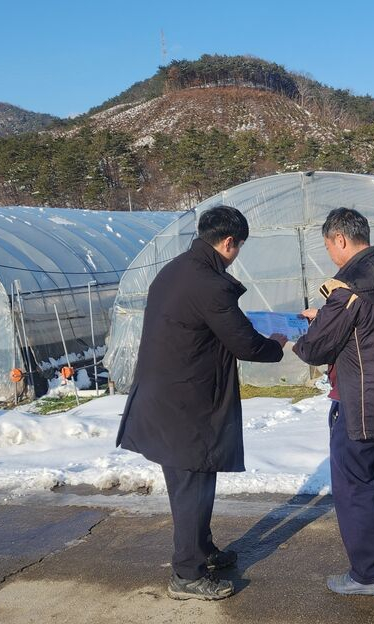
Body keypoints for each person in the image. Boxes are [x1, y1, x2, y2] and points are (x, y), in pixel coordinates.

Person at [116, 205, 286, 601]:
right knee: (191, 485)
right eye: (239, 247)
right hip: (183, 404)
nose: (237, 254)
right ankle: (187, 574)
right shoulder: (209, 283)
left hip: (170, 395)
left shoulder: (177, 268)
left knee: (198, 477)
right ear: (229, 242)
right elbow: (245, 344)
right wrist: (275, 345)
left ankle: (202, 548)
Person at [293, 207, 374, 596]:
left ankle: (367, 574)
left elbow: (315, 349)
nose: (330, 254)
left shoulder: (348, 289)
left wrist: (311, 327)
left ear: (341, 240)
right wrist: (328, 314)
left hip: (362, 403)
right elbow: (370, 326)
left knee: (354, 487)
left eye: (329, 246)